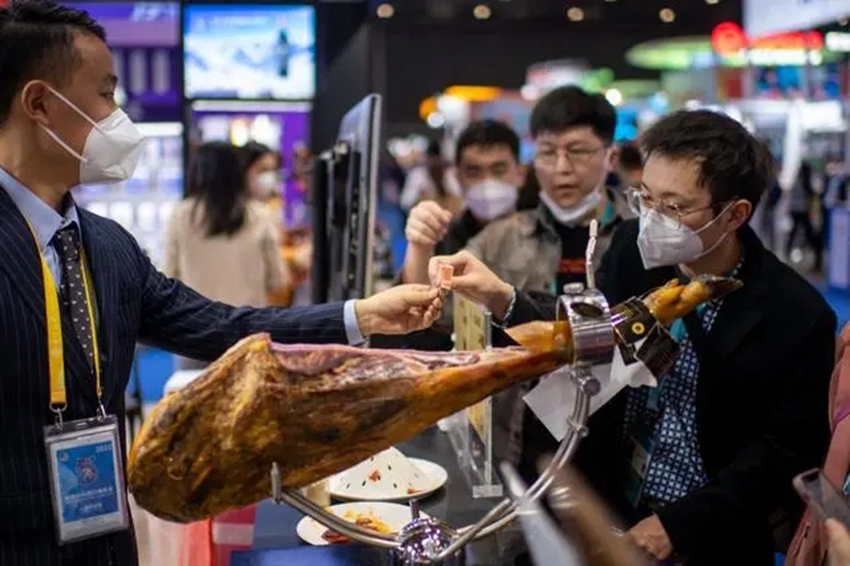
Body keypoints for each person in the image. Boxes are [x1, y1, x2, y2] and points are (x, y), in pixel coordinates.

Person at [0, 1, 443, 563]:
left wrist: (363, 315)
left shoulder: (107, 245)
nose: (119, 117)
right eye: (106, 94)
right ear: (40, 102)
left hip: (104, 536)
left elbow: (222, 325)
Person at [431, 110, 836, 565]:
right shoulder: (632, 250)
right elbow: (592, 331)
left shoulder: (795, 314)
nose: (652, 219)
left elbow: (782, 452)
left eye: (674, 206)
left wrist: (677, 526)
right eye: (645, 197)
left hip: (708, 533)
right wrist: (502, 297)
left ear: (734, 213)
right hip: (606, 508)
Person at [164, 141, 289, 369]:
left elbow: (167, 278)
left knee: (192, 400)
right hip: (248, 337)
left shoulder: (180, 216)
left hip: (193, 336)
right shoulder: (260, 216)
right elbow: (278, 280)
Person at [401, 119, 525, 286]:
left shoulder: (545, 238)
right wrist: (419, 246)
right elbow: (415, 296)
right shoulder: (443, 241)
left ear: (520, 173)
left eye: (498, 170)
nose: (487, 182)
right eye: (474, 172)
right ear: (458, 178)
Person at [399, 139, 462, 214]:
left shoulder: (450, 175)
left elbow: (460, 202)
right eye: (432, 161)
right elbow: (405, 202)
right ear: (428, 159)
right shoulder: (418, 175)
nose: (435, 165)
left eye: (438, 162)